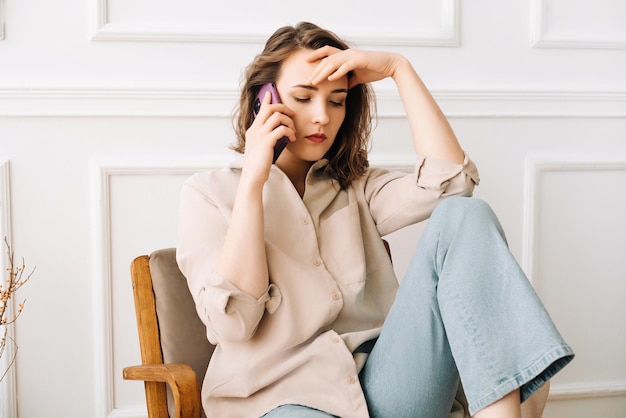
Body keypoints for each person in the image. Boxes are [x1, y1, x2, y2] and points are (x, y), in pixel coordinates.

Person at [176, 21, 574, 418]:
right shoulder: (210, 194)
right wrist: (253, 183)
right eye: (303, 97)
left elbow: (453, 183)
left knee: (465, 215)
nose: (322, 117)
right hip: (279, 399)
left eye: (336, 101)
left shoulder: (356, 186)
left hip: (387, 386)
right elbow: (234, 324)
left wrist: (398, 68)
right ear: (264, 101)